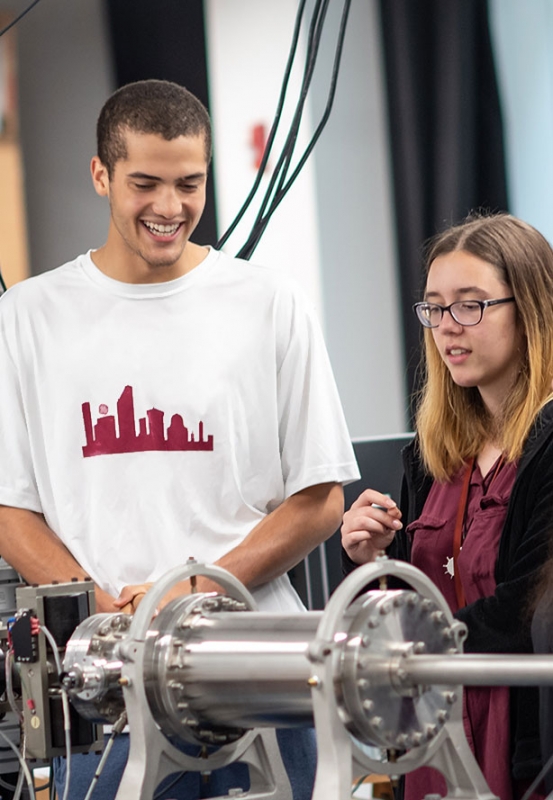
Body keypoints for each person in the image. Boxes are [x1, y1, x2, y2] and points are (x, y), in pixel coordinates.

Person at [0, 79, 360, 799]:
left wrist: (191, 592)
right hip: (109, 692)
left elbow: (319, 497)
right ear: (100, 174)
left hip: (260, 673)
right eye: (145, 183)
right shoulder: (29, 316)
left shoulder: (269, 302)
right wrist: (104, 613)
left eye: (189, 184)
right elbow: (11, 507)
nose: (169, 208)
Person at [341, 212, 553, 800]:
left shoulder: (548, 441)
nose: (447, 327)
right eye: (435, 308)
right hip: (433, 733)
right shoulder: (431, 457)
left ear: (530, 309)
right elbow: (403, 600)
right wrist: (368, 560)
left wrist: (402, 655)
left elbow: (526, 607)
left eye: (471, 305)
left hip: (523, 741)